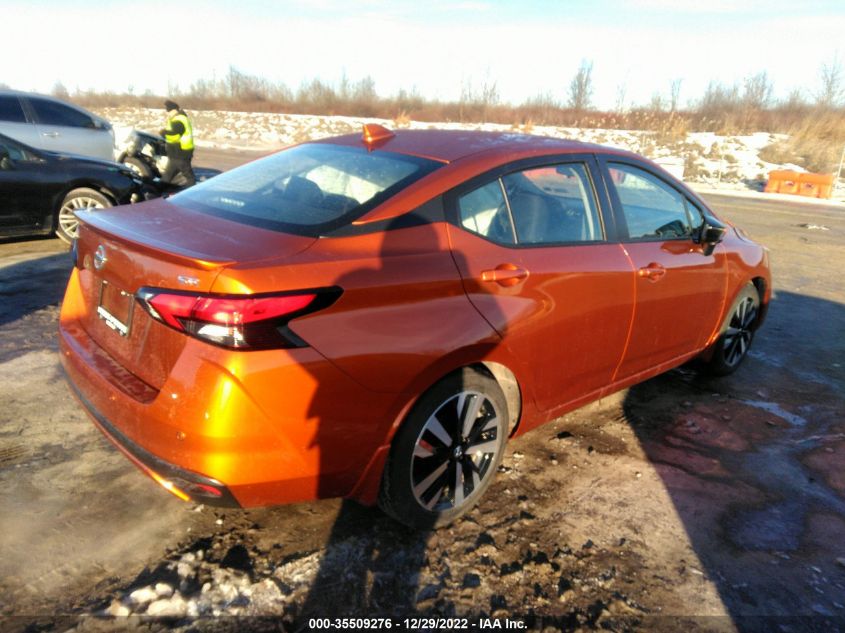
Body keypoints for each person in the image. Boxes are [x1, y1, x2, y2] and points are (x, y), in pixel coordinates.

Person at [160, 99, 196, 187]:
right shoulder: (181, 118)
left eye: (169, 111)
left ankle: (193, 193)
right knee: (167, 176)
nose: (168, 114)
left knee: (189, 177)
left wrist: (164, 133)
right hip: (177, 153)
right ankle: (157, 193)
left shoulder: (178, 120)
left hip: (180, 153)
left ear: (174, 110)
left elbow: (174, 137)